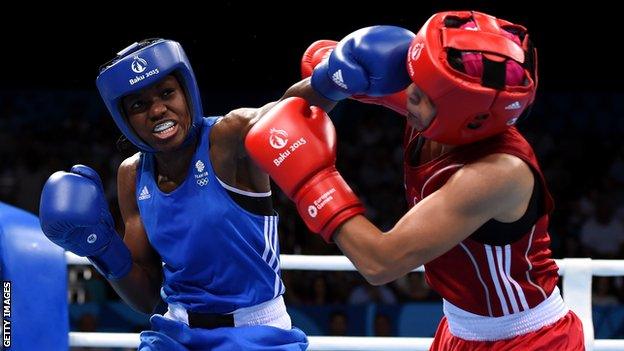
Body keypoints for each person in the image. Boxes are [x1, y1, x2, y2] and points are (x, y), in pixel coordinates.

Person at [244, 10, 585, 350]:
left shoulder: (497, 172)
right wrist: (328, 81)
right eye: (415, 78)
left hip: (530, 339)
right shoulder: (434, 105)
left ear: (467, 117)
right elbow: (280, 117)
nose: (408, 95)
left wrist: (313, 182)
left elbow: (380, 262)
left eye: (422, 94)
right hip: (459, 330)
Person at [38, 39, 308, 350]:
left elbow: (291, 112)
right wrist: (99, 246)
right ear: (124, 120)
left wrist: (334, 79)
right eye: (138, 105)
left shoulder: (227, 138)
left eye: (167, 93)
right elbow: (144, 297)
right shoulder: (132, 174)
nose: (156, 110)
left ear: (187, 93)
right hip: (175, 333)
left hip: (259, 332)